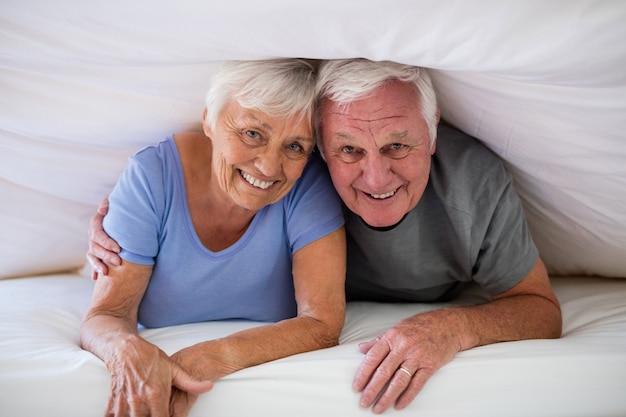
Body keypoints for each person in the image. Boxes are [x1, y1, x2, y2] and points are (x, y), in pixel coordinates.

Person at [88, 58, 562, 414]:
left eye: (398, 145)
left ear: (432, 131)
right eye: (349, 150)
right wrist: (123, 219)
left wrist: (453, 327)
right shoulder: (292, 171)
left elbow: (538, 306)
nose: (375, 178)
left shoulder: (468, 183)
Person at [81, 59, 346, 417]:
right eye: (253, 134)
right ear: (209, 119)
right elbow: (106, 315)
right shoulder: (152, 177)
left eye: (295, 147)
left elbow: (322, 325)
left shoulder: (308, 186)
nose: (269, 167)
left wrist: (206, 359)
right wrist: (127, 351)